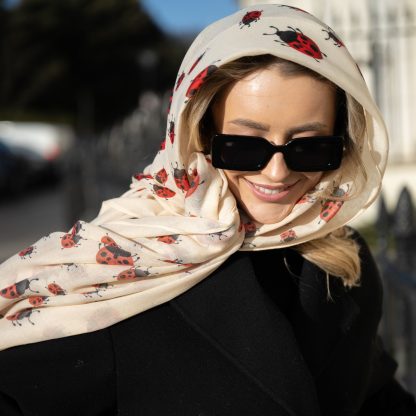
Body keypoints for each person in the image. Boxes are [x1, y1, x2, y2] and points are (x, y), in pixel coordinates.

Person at [0, 4, 415, 415]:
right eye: (244, 145)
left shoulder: (343, 258)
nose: (277, 172)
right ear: (197, 132)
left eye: (309, 147)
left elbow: (372, 392)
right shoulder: (122, 262)